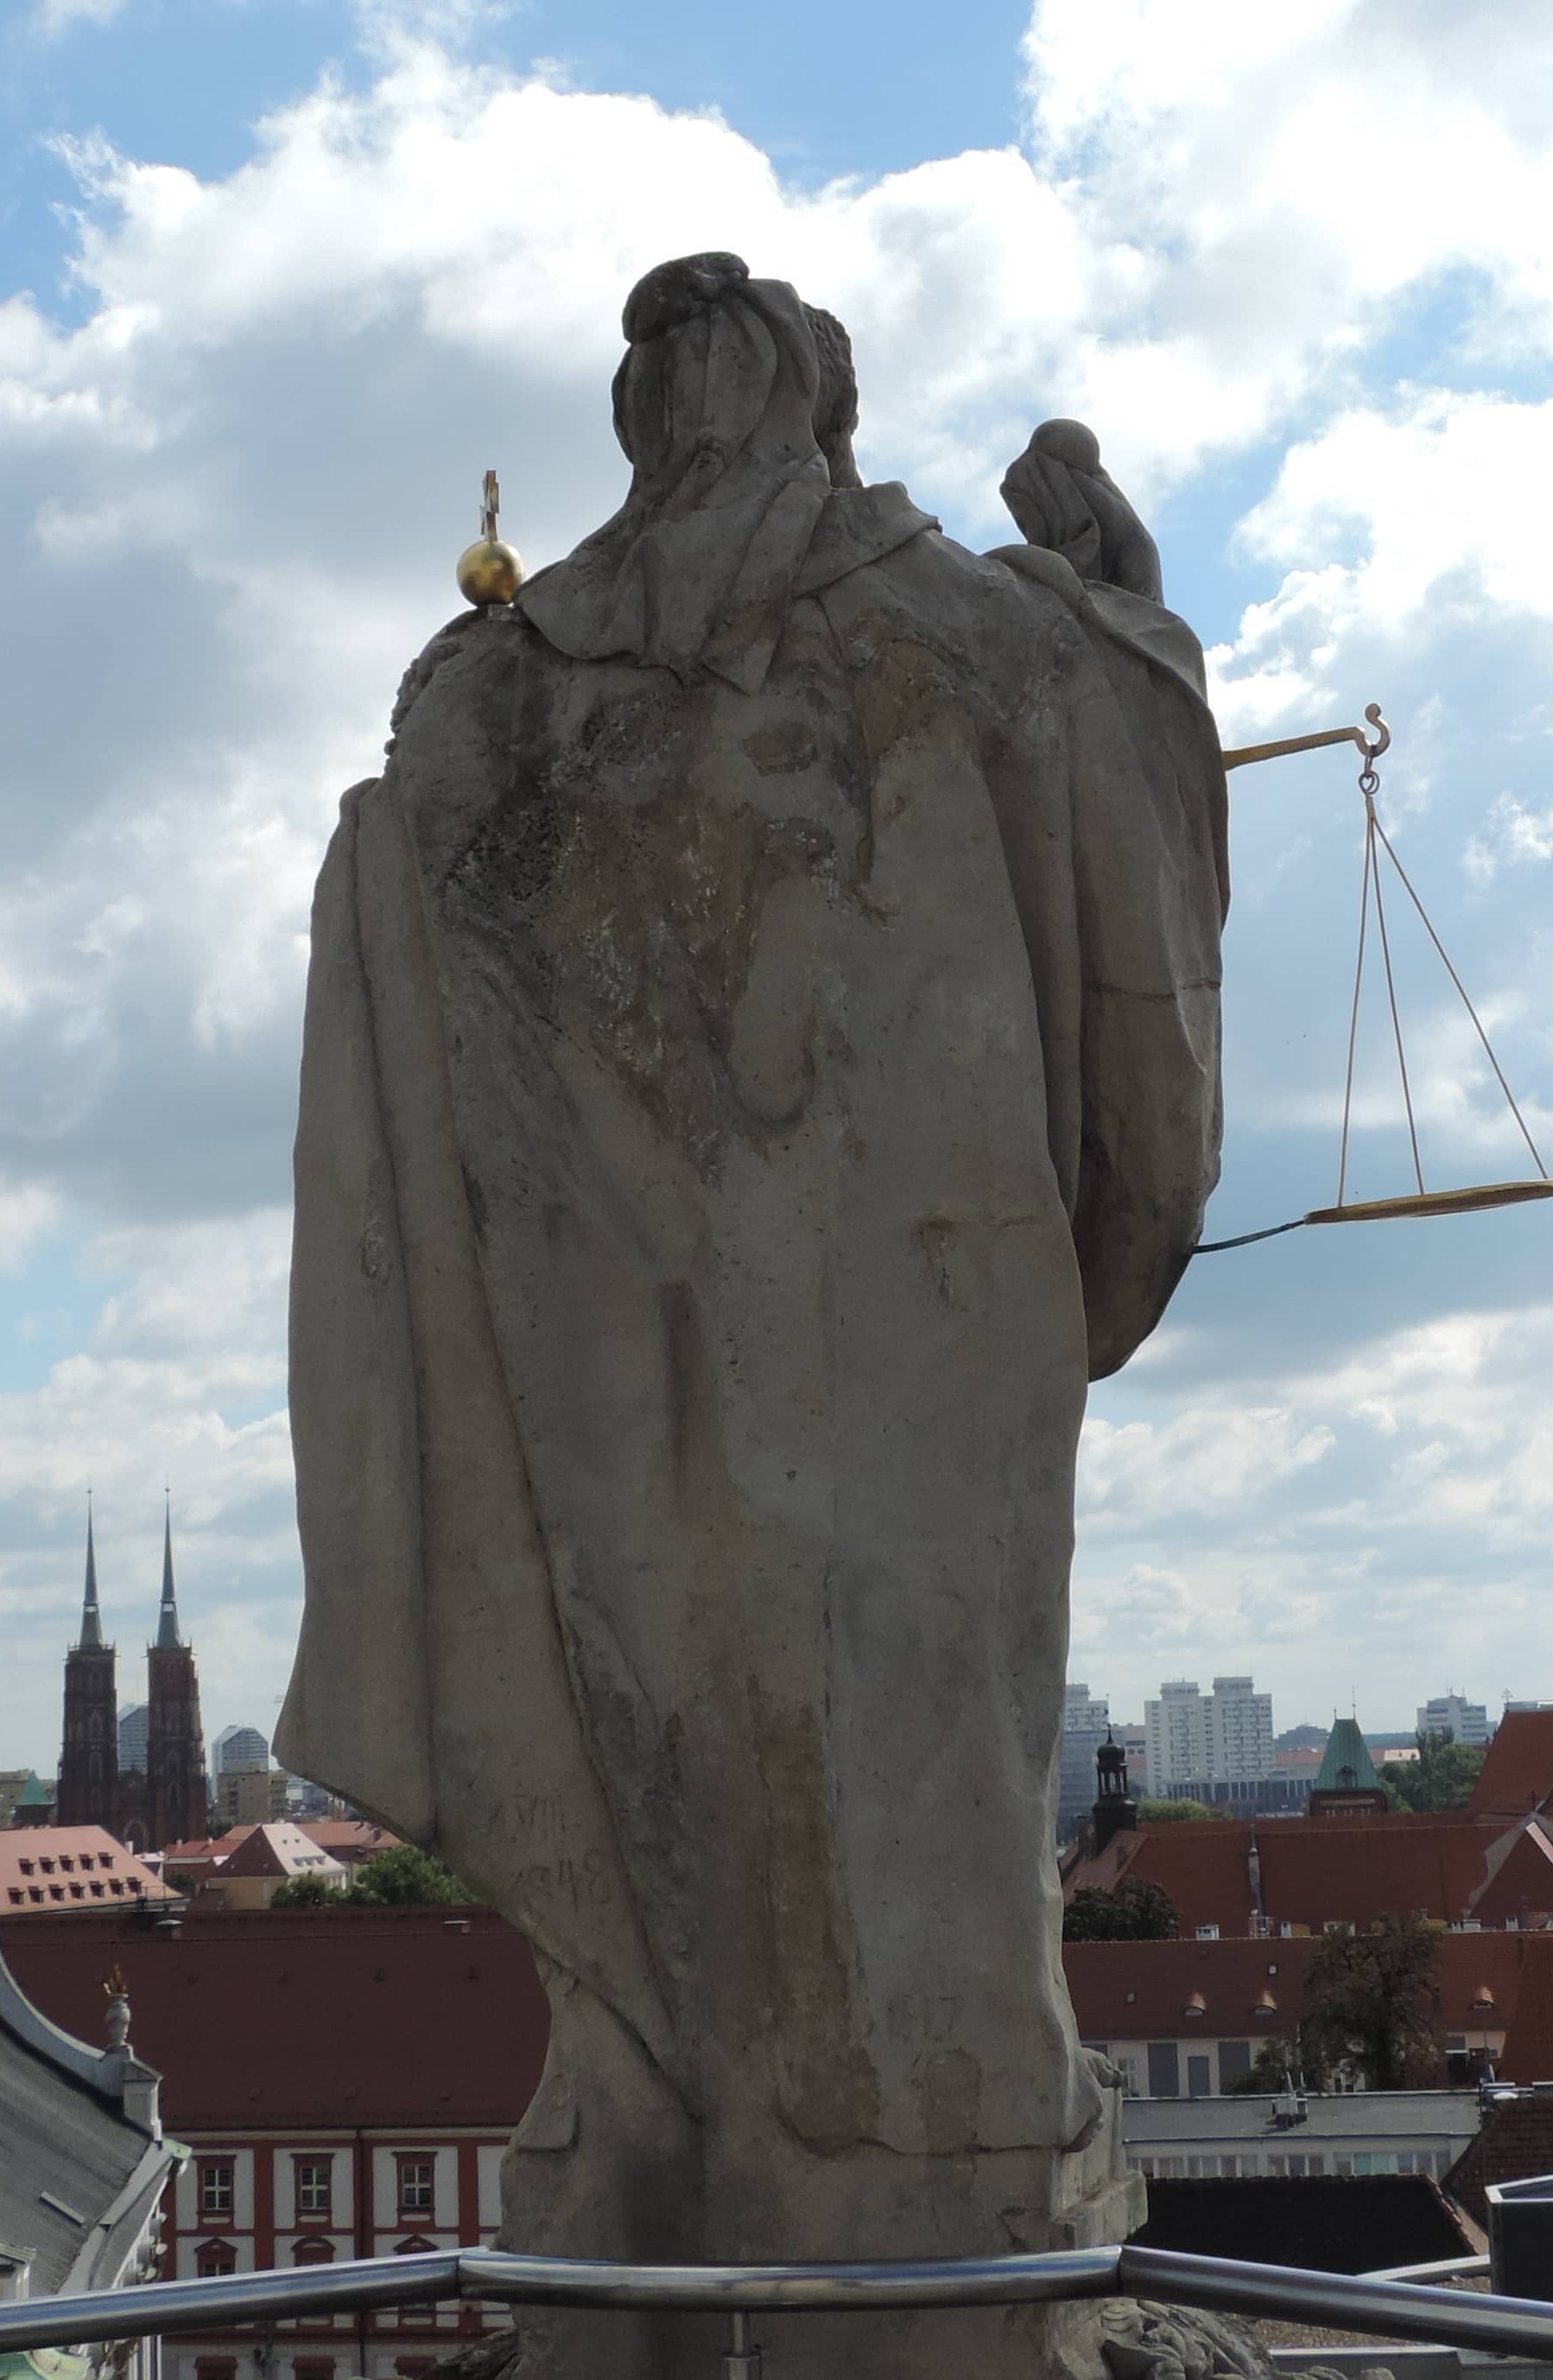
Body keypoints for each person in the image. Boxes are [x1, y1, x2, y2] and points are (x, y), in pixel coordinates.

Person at [283, 252, 1224, 2380]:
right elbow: (1132, 869)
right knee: (914, 1773)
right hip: (913, 1325)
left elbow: (390, 887)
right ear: (827, 407)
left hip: (594, 1355)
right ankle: (937, 2208)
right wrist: (1132, 607)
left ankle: (639, 2159)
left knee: (642, 1746)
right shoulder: (951, 624)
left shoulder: (499, 687)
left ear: (641, 426)